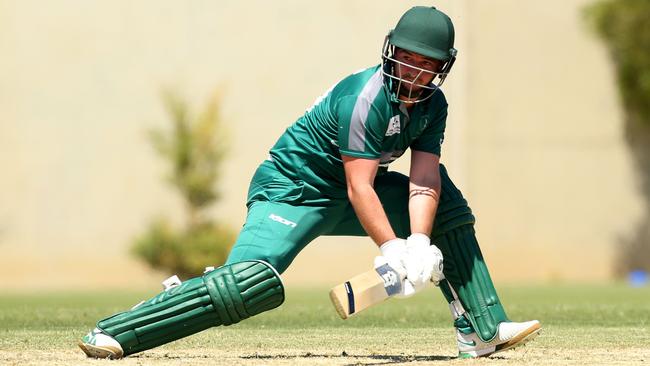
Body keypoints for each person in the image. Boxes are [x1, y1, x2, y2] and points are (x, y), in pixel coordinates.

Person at [79, 6, 541, 359]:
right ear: (391, 51)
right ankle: (120, 330)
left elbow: (424, 175)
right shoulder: (366, 98)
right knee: (247, 285)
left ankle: (481, 330)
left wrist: (419, 241)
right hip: (293, 190)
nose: (414, 71)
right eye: (408, 58)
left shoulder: (432, 105)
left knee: (449, 207)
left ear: (443, 66)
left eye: (427, 63)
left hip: (353, 189)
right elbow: (360, 186)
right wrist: (392, 249)